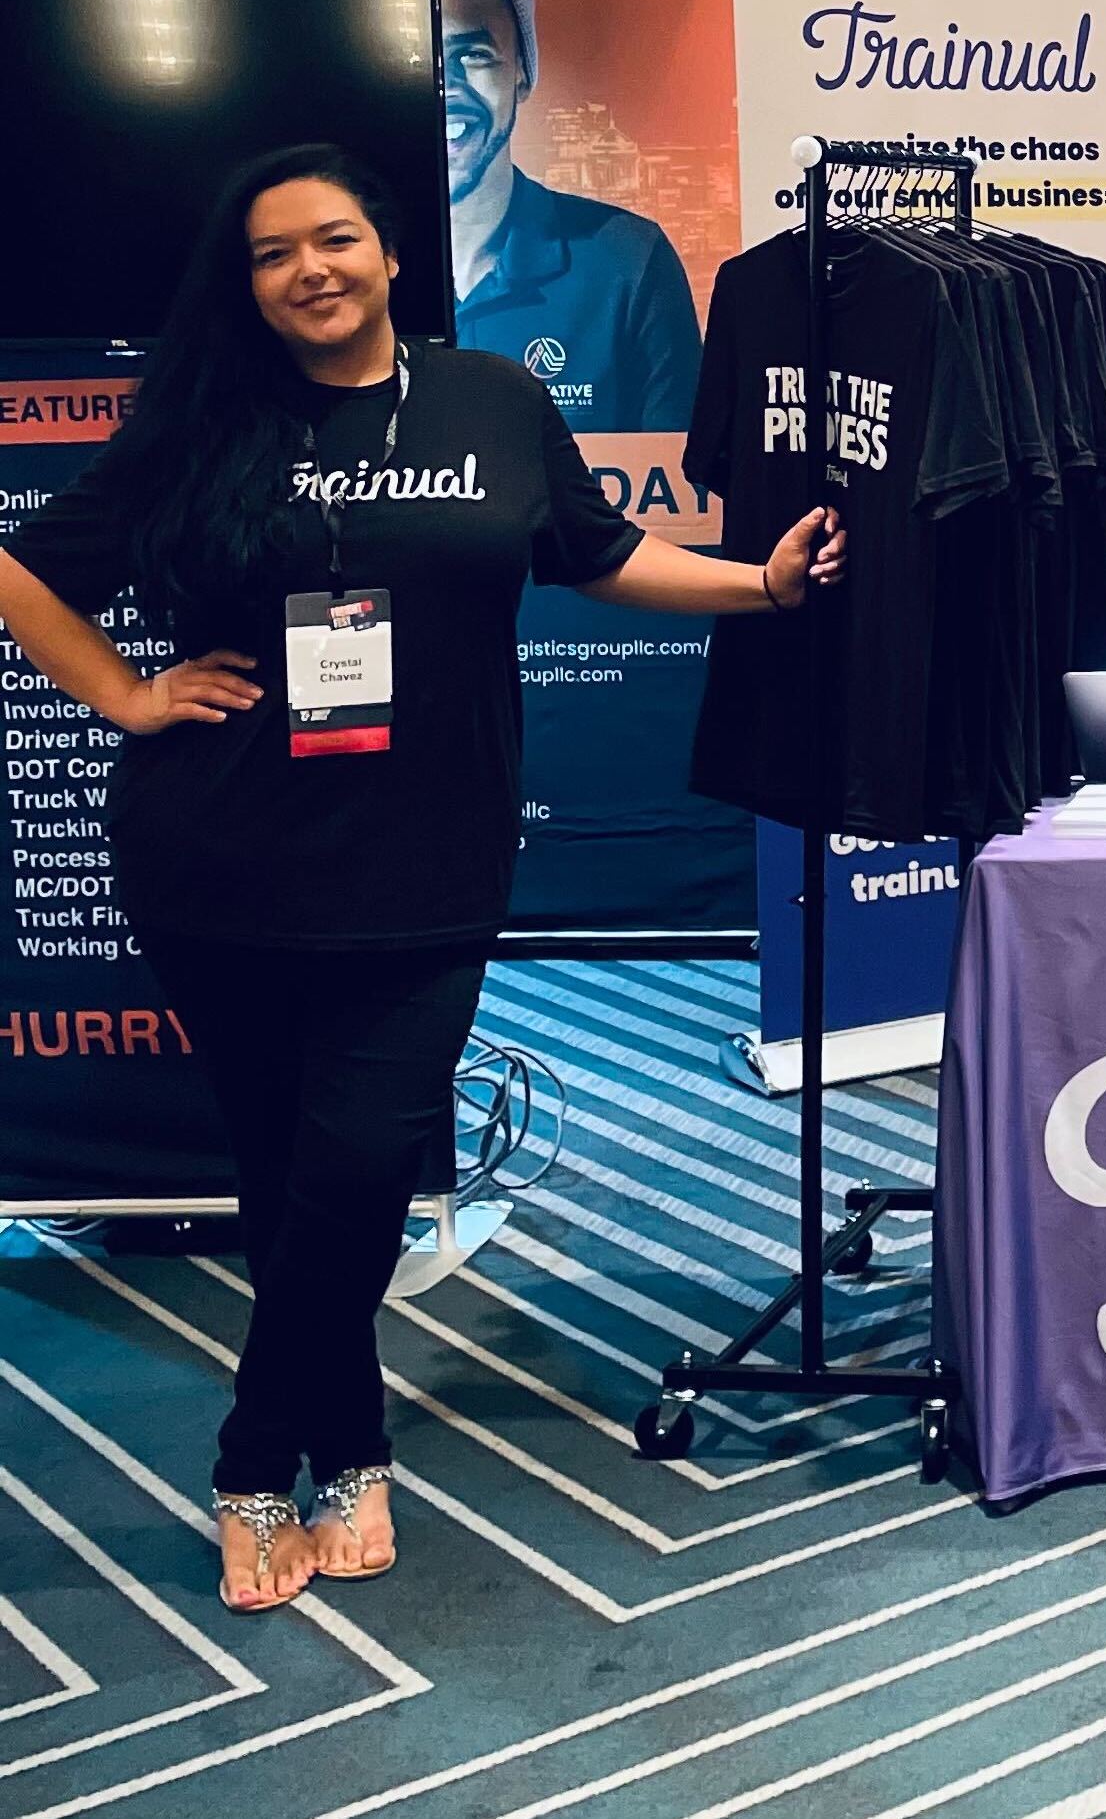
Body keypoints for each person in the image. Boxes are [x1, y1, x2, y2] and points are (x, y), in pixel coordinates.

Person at [0, 145, 840, 1615]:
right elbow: (25, 570)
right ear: (247, 285)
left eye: (334, 240)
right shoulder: (202, 421)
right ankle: (359, 1440)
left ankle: (259, 1456)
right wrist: (128, 699)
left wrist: (757, 587)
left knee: (359, 1165)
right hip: (221, 852)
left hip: (430, 854)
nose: (309, 270)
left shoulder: (492, 402)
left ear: (392, 254)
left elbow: (598, 551)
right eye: (273, 254)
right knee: (281, 1169)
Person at [403, 0, 704, 430]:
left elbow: (678, 492)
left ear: (522, 72)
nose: (445, 88)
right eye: (415, 59)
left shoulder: (629, 260)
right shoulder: (331, 275)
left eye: (473, 56)